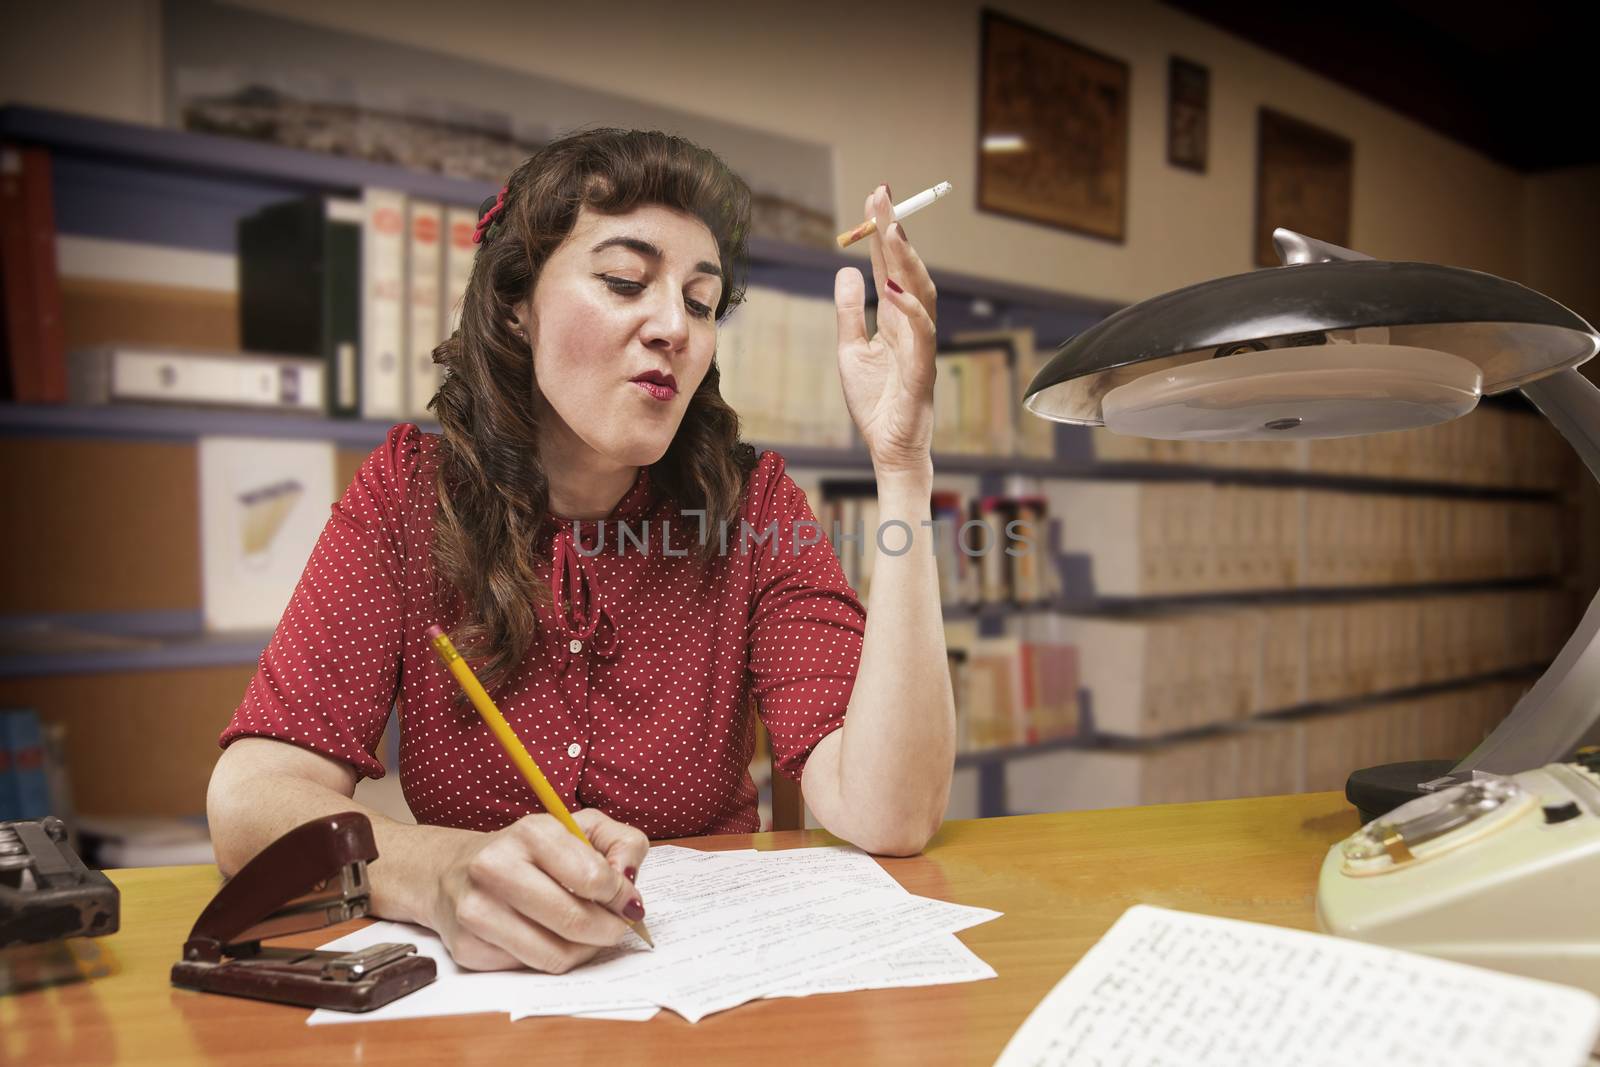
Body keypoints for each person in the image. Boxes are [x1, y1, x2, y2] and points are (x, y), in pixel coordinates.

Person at [206, 128, 955, 974]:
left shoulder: (751, 505)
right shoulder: (411, 495)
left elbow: (891, 814)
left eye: (703, 302)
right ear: (517, 301)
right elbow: (247, 802)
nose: (674, 325)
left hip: (710, 989)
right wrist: (436, 870)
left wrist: (902, 467)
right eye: (624, 281)